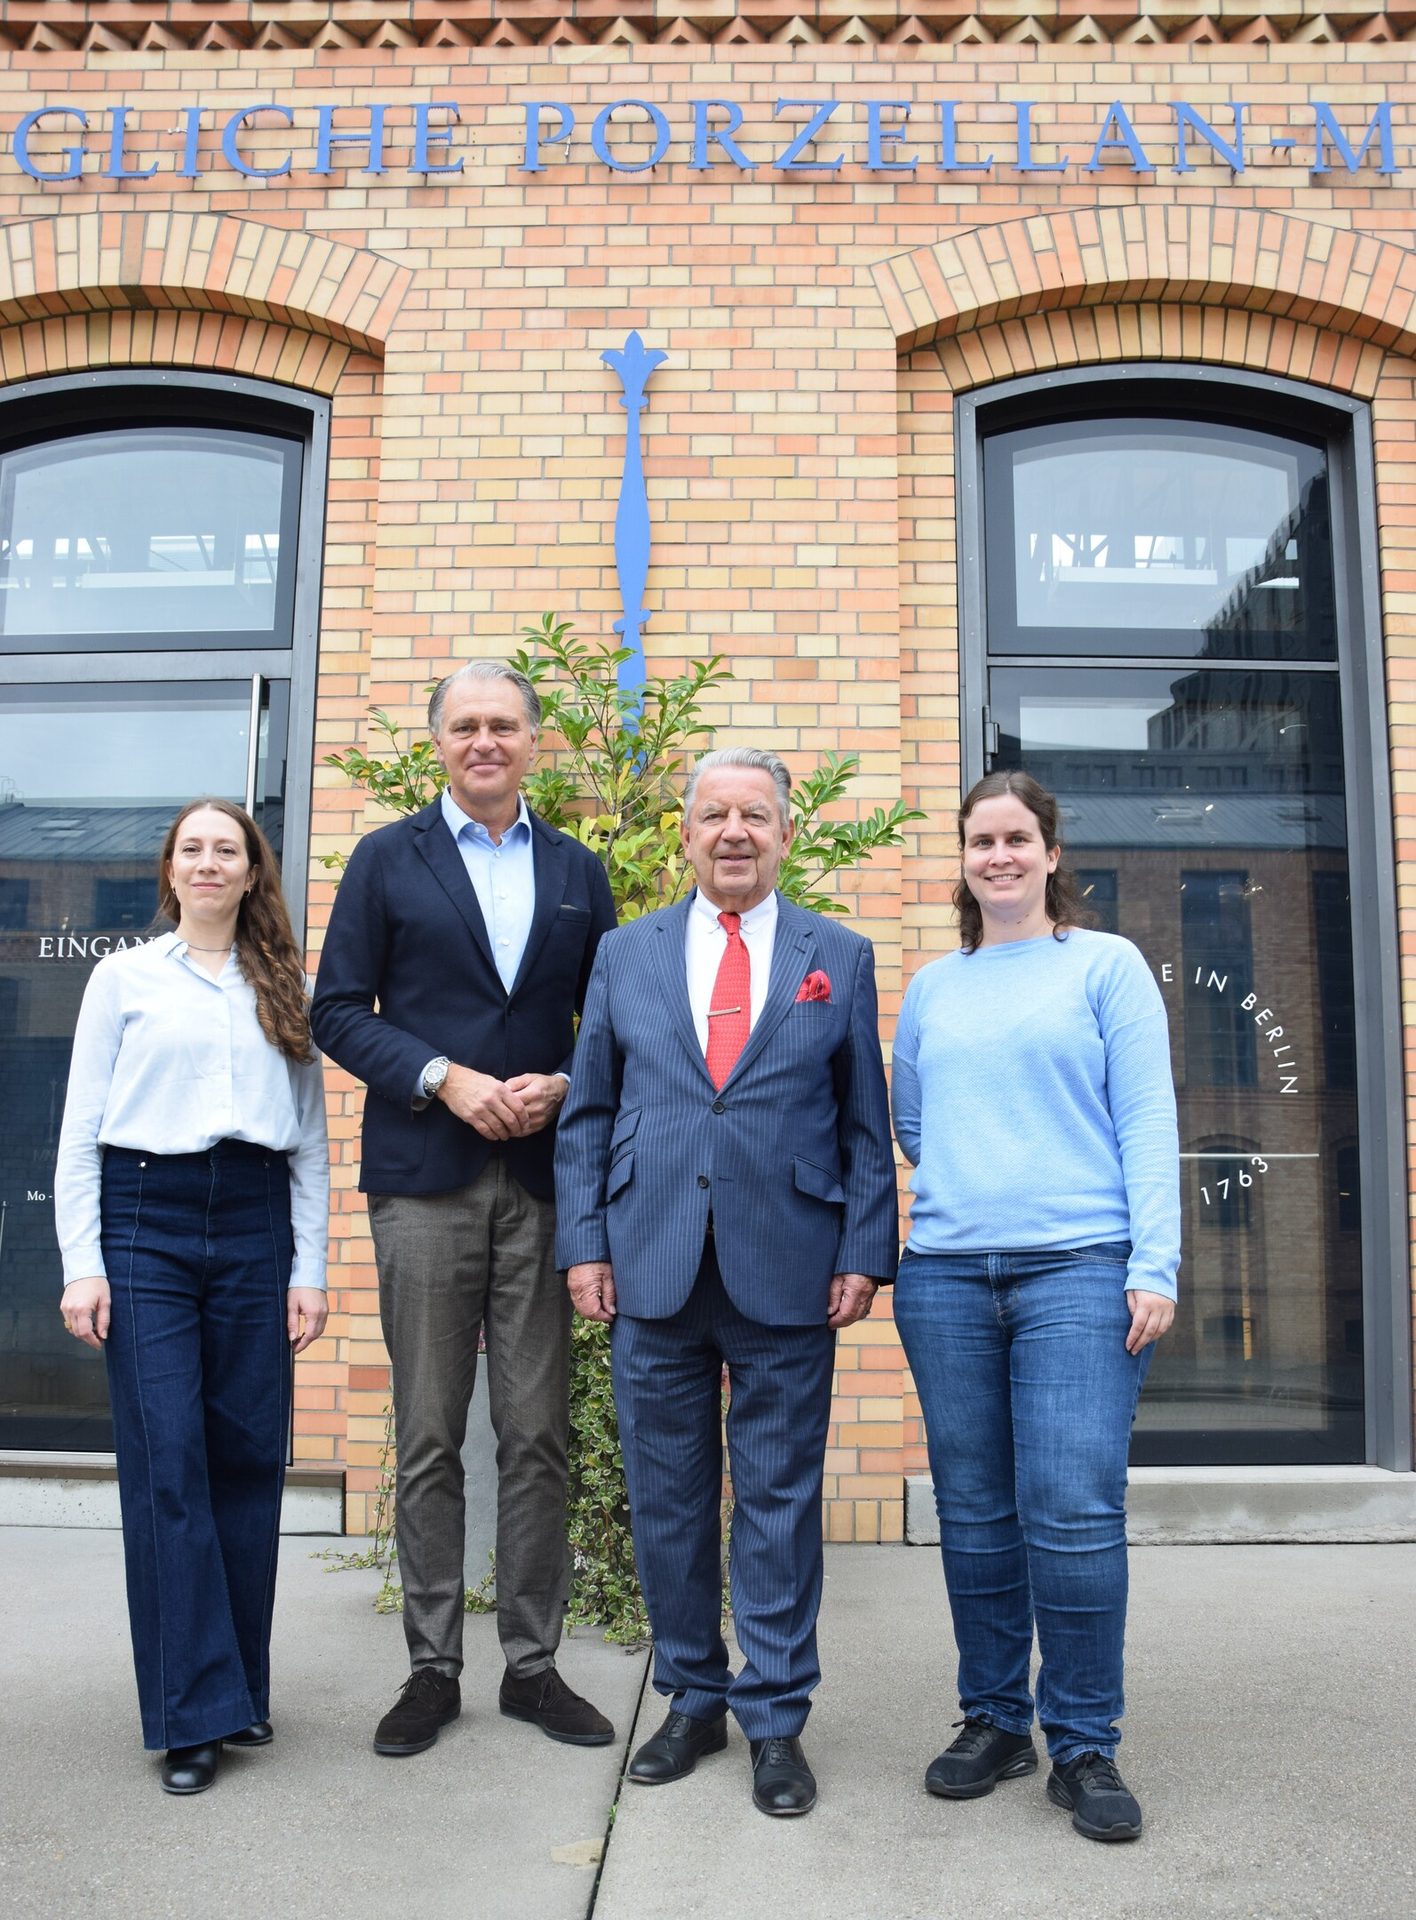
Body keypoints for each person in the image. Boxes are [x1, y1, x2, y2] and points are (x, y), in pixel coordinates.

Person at [555, 746, 897, 1818]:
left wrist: (862, 1251)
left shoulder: (835, 954)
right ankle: (693, 1697)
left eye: (756, 814)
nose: (735, 832)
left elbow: (862, 1126)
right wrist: (585, 1243)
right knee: (666, 1501)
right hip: (652, 1259)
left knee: (781, 1502)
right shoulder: (625, 953)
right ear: (687, 835)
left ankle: (776, 1718)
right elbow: (591, 1114)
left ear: (786, 833)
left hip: (789, 1265)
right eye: (714, 816)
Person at [310, 659, 617, 1758]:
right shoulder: (388, 860)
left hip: (541, 1188)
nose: (484, 741)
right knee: (430, 1431)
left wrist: (571, 1080)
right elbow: (336, 1011)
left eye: (503, 725)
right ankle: (431, 1670)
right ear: (438, 742)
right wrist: (443, 1075)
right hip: (424, 1183)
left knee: (536, 1435)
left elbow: (616, 1020)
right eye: (463, 726)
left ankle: (531, 1668)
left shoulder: (579, 870)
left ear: (534, 741)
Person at [891, 769, 1178, 1844]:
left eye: (1018, 838)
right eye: (980, 840)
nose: (999, 856)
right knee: (974, 1511)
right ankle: (996, 1720)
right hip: (951, 1274)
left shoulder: (1104, 966)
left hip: (1079, 1271)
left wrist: (1156, 1263)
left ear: (1053, 854)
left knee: (1070, 1507)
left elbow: (1147, 1117)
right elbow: (911, 1118)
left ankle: (1087, 1740)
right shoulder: (935, 985)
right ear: (963, 860)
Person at [54, 799, 329, 1797]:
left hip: (254, 1225)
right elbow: (82, 1129)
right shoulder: (121, 977)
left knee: (247, 1461)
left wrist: (308, 1268)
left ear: (252, 873)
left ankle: (237, 1689)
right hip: (146, 1224)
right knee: (169, 1460)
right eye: (193, 850)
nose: (210, 863)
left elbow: (310, 1142)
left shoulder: (281, 984)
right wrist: (83, 1261)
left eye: (229, 850)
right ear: (170, 872)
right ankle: (190, 1713)